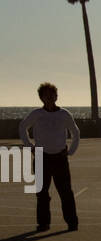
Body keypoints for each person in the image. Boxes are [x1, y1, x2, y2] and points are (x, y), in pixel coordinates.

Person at [19, 83, 80, 232]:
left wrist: (70, 151)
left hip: (60, 158)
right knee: (42, 193)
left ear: (56, 96)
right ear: (41, 98)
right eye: (46, 95)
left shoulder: (64, 114)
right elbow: (23, 127)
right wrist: (29, 146)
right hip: (41, 157)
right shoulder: (37, 114)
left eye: (52, 94)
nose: (50, 97)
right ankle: (43, 223)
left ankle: (72, 223)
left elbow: (75, 132)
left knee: (66, 192)